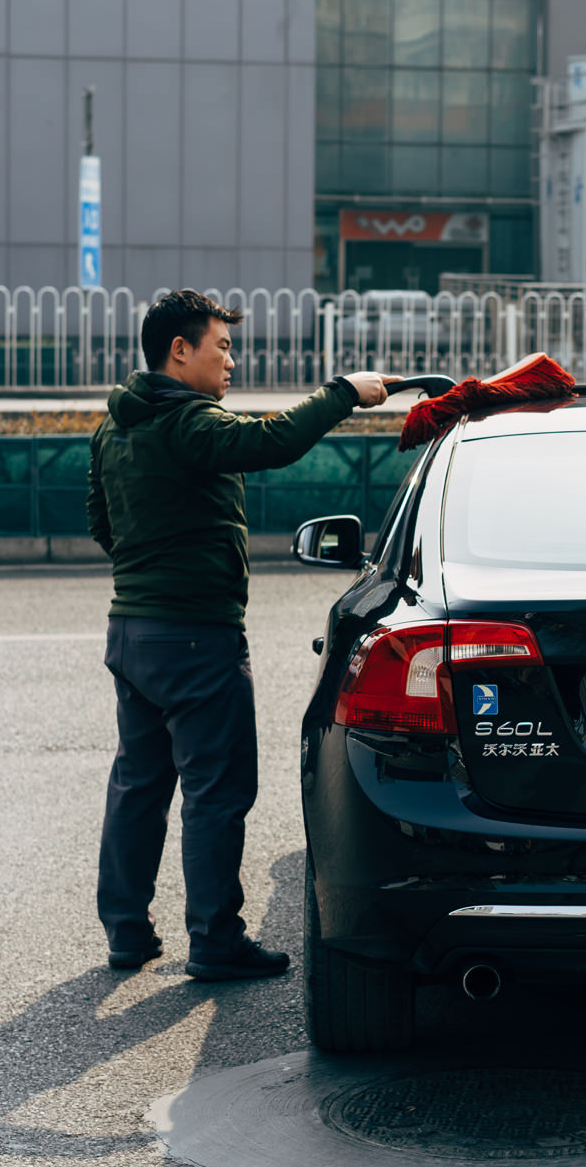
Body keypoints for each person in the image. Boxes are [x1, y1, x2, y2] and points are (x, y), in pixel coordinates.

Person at [85, 288, 397, 980]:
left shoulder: (116, 425)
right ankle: (216, 940)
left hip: (131, 631)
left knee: (139, 783)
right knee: (217, 789)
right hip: (196, 636)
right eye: (221, 346)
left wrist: (148, 572)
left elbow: (100, 520)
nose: (232, 360)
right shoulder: (187, 423)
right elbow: (270, 441)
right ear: (179, 350)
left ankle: (126, 931)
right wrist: (343, 391)